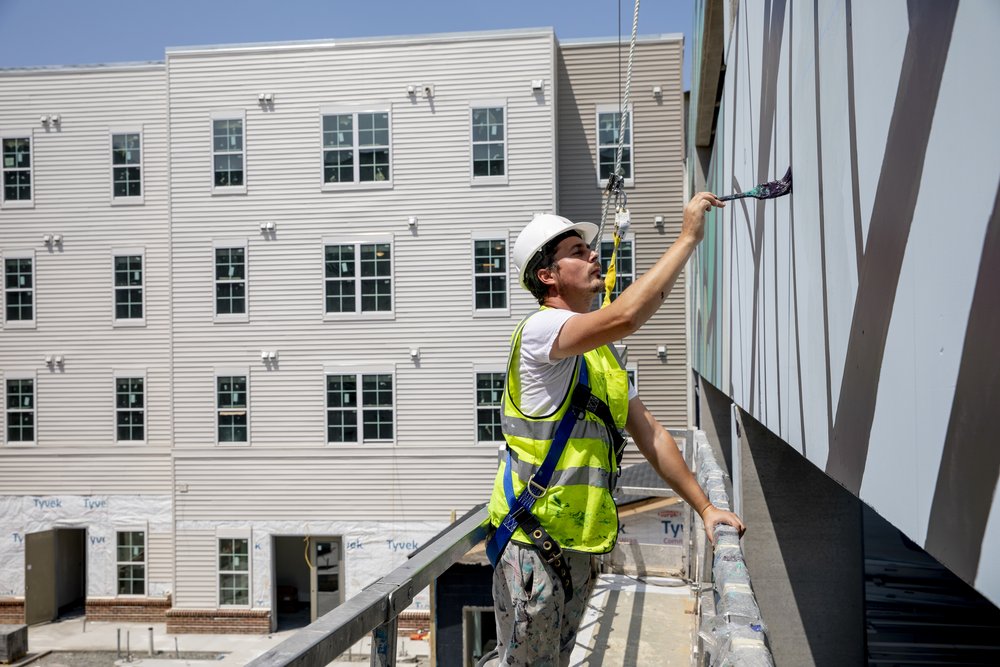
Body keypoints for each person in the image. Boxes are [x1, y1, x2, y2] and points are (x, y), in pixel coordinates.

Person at [480, 192, 746, 667]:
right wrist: (687, 238)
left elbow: (652, 435)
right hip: (530, 545)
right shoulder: (541, 332)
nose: (593, 256)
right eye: (577, 253)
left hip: (576, 547)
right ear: (548, 276)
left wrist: (706, 508)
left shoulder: (600, 356)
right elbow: (626, 316)